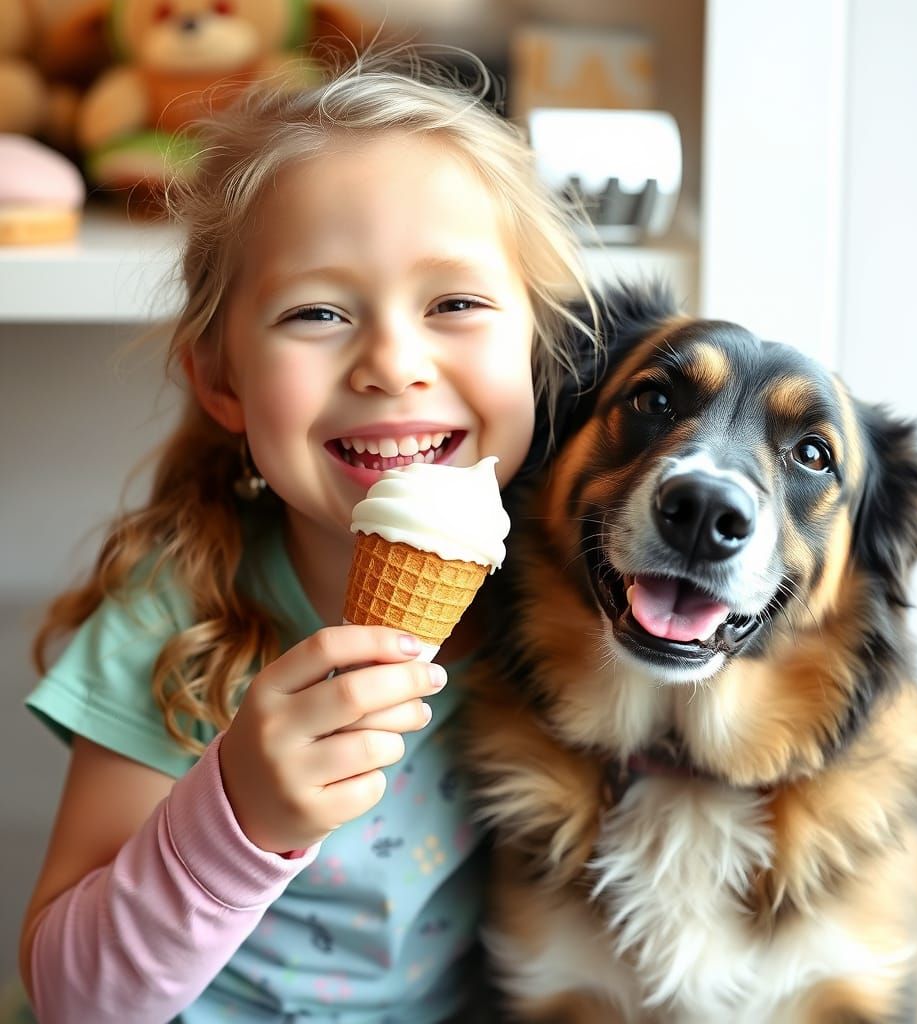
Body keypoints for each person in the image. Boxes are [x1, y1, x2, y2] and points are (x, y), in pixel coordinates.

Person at [16, 49, 596, 1024]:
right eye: (317, 312)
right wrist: (237, 815)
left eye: (454, 303)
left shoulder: (567, 610)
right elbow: (73, 999)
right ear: (222, 380)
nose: (392, 364)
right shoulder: (179, 615)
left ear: (536, 344)